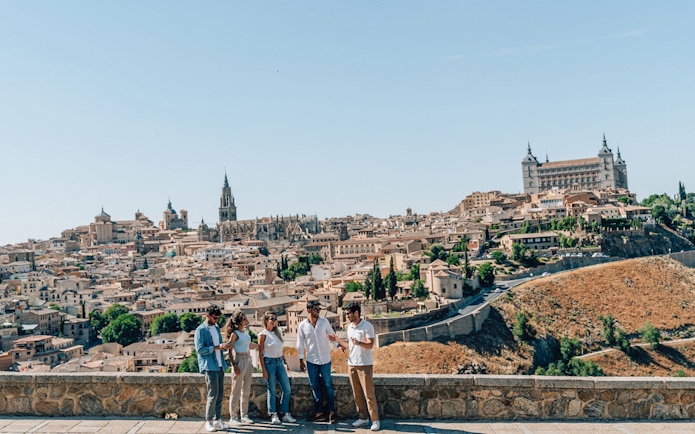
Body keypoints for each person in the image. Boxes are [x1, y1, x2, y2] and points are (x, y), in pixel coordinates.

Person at [328, 302, 380, 432]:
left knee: (369, 394)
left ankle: (375, 420)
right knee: (357, 394)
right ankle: (363, 418)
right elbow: (350, 345)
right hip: (352, 364)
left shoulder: (367, 326)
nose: (346, 316)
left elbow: (370, 345)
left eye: (348, 313)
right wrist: (337, 341)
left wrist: (359, 342)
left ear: (356, 313)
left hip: (365, 365)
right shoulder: (349, 327)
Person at [297, 300, 338, 423]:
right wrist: (300, 360)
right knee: (315, 387)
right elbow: (300, 343)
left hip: (325, 359)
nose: (318, 311)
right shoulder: (302, 326)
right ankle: (319, 413)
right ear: (309, 310)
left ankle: (332, 412)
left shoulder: (324, 322)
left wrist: (338, 345)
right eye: (316, 309)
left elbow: (332, 336)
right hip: (311, 360)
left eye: (319, 309)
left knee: (328, 385)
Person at [194, 304, 231, 432]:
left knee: (220, 394)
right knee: (212, 394)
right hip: (210, 366)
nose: (216, 321)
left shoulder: (215, 327)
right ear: (207, 316)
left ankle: (217, 420)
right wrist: (216, 347)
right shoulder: (200, 330)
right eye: (215, 318)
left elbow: (218, 346)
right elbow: (199, 349)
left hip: (220, 364)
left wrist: (224, 347)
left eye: (218, 318)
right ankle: (208, 421)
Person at [259, 311, 297, 425]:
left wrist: (285, 362)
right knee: (271, 389)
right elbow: (260, 353)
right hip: (269, 362)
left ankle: (285, 413)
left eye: (275, 318)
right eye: (272, 318)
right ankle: (273, 414)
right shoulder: (262, 334)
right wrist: (263, 370)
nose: (274, 320)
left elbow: (281, 349)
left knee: (287, 388)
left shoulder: (278, 332)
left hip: (279, 362)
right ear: (266, 321)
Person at [224, 310, 257, 426]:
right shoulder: (235, 334)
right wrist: (234, 365)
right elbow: (230, 350)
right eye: (244, 318)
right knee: (236, 390)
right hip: (239, 359)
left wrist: (260, 347)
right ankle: (233, 416)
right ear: (239, 321)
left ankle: (244, 415)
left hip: (247, 360)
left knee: (246, 389)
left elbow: (248, 346)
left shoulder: (245, 332)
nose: (246, 319)